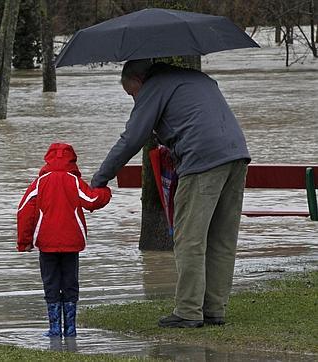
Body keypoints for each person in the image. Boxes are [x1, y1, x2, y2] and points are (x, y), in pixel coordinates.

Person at [91, 59, 250, 328]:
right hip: (237, 155)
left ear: (139, 80)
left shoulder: (154, 86)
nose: (135, 101)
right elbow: (195, 119)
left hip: (202, 162)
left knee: (190, 239)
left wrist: (100, 179)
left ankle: (188, 311)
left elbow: (132, 138)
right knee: (222, 239)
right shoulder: (196, 78)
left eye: (132, 94)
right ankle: (214, 308)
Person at [17, 143, 112, 337]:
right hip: (72, 243)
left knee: (50, 283)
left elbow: (24, 212)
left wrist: (24, 242)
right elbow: (92, 200)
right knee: (70, 283)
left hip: (46, 243)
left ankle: (53, 329)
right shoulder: (74, 181)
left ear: (48, 160)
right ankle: (70, 329)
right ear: (72, 161)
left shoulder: (39, 183)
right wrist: (106, 192)